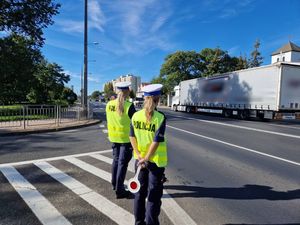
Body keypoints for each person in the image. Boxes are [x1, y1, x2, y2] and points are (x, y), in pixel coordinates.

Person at [129, 84, 167, 225]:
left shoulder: (135, 116)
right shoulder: (160, 117)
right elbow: (156, 141)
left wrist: (139, 155)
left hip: (139, 161)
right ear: (157, 99)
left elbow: (131, 137)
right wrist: (147, 158)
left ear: (144, 98)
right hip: (155, 162)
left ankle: (139, 223)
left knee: (139, 194)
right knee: (154, 196)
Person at [106, 81, 136, 199]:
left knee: (116, 161)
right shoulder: (129, 106)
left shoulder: (109, 104)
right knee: (122, 164)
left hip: (114, 137)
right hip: (126, 139)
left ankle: (114, 184)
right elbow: (136, 122)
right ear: (127, 92)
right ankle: (120, 191)